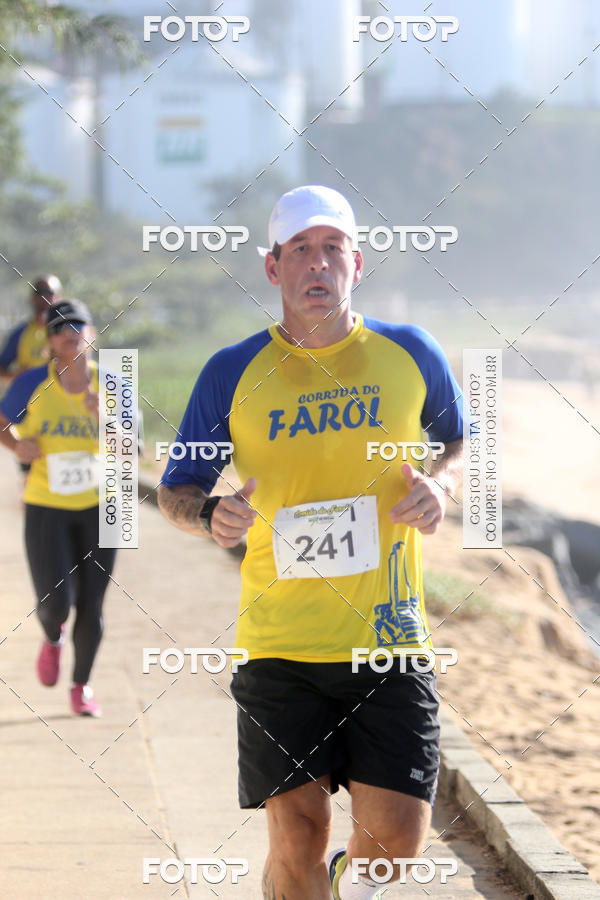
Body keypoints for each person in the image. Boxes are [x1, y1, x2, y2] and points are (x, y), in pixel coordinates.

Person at [157, 185, 463, 900]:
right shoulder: (230, 371)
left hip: (387, 640)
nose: (317, 265)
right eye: (301, 250)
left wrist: (443, 485)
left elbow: (464, 441)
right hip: (279, 644)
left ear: (357, 263)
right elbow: (177, 488)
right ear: (274, 269)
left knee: (394, 847)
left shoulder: (410, 353)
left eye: (332, 249)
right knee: (297, 834)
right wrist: (208, 516)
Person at [0, 299, 115, 717]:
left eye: (79, 324)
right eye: (60, 326)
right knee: (56, 602)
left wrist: (107, 417)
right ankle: (52, 637)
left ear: (92, 333)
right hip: (46, 505)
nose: (71, 331)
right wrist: (16, 444)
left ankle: (81, 686)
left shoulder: (114, 380)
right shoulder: (31, 382)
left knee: (93, 605)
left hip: (103, 507)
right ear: (49, 340)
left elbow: (134, 446)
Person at [0, 275, 62, 382]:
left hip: (61, 397)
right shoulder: (20, 333)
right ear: (32, 298)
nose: (44, 297)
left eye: (49, 292)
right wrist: (15, 375)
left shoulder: (70, 331)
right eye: (39, 292)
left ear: (59, 297)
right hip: (28, 397)